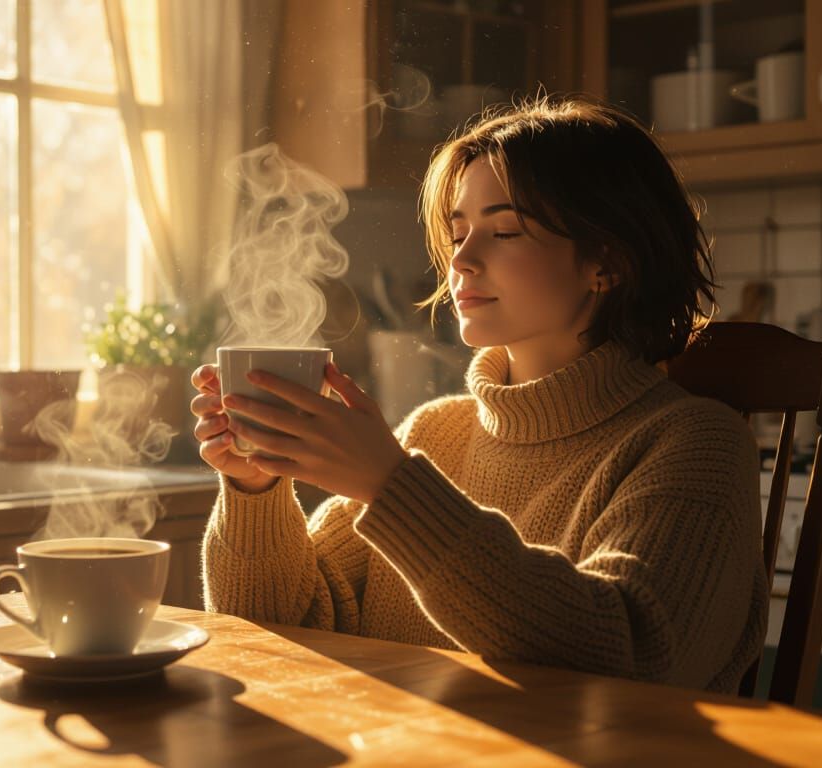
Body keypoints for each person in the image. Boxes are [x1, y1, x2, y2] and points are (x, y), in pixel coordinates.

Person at [188, 95, 767, 693]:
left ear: (608, 263)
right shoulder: (434, 434)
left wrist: (389, 486)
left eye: (505, 230)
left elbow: (628, 652)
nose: (460, 260)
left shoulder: (697, 444)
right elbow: (280, 630)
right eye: (458, 232)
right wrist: (255, 489)